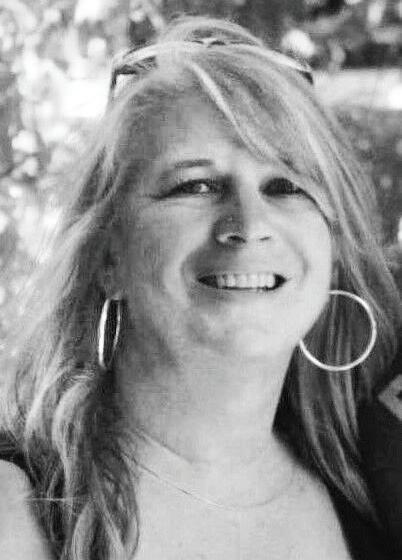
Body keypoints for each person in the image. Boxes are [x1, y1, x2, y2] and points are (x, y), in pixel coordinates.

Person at [0, 16, 401, 560]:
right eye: (197, 185)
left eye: (286, 186)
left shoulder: (376, 497)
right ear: (107, 257)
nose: (249, 223)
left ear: (332, 256)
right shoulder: (17, 508)